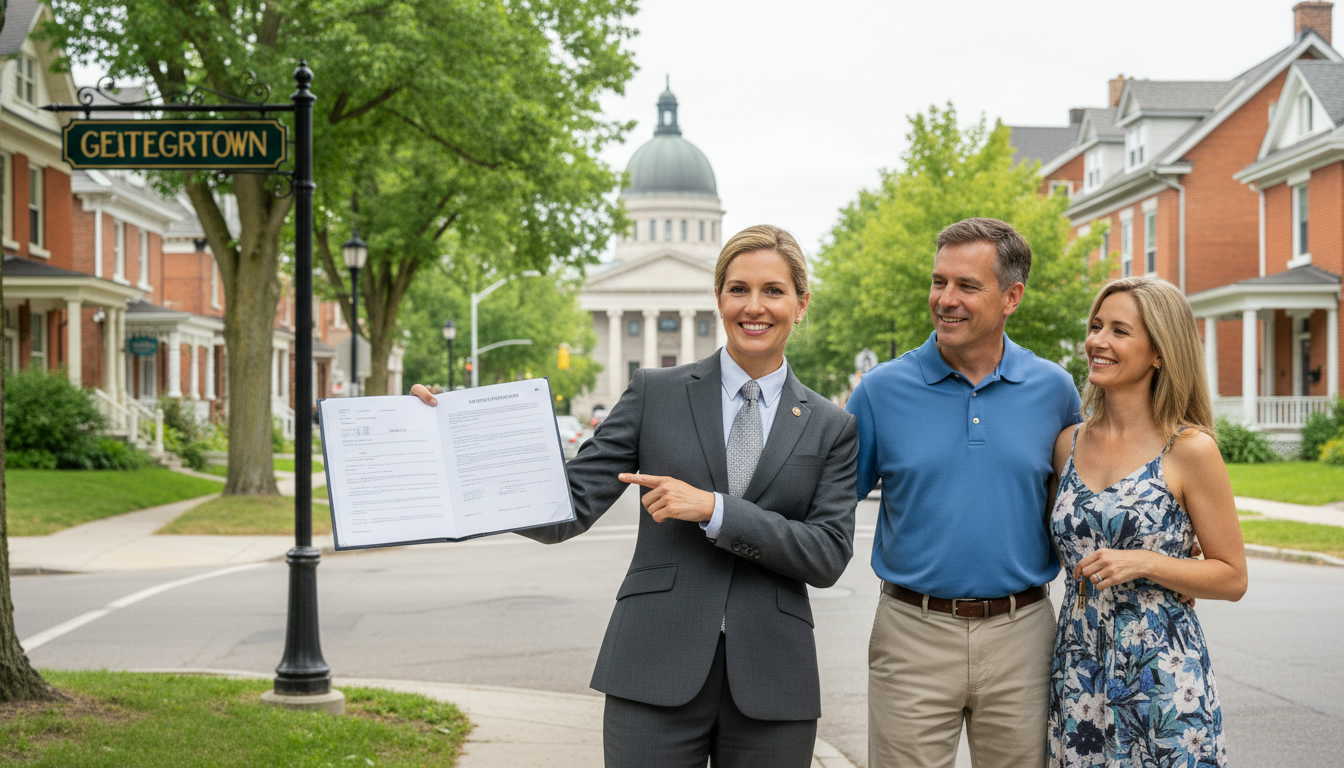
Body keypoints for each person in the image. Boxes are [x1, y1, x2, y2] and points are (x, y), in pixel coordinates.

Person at [412, 224, 859, 768]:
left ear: (801, 303)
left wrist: (716, 510)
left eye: (773, 290)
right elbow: (567, 508)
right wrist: (463, 447)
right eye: (738, 289)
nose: (754, 306)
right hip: (653, 667)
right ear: (717, 297)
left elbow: (828, 553)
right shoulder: (656, 393)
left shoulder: (831, 425)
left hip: (774, 678)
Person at [846, 217, 1081, 767]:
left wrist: (1164, 557)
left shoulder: (1054, 389)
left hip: (1024, 636)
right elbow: (822, 506)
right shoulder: (881, 391)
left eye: (966, 286)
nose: (945, 299)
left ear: (1012, 297)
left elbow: (1083, 505)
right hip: (911, 634)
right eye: (938, 282)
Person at [1048, 276, 1246, 767]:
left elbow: (1232, 576)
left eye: (1120, 331)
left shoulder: (1189, 449)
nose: (1098, 341)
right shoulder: (1067, 444)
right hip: (1078, 665)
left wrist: (1149, 563)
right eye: (1096, 327)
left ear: (1159, 352)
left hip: (1163, 672)